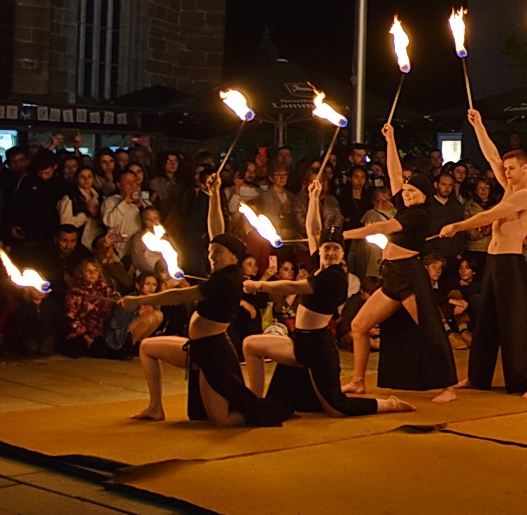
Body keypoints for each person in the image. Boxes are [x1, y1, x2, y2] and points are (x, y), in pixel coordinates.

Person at [119, 175, 291, 427]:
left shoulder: (225, 280)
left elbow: (179, 295)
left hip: (214, 352)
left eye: (217, 253)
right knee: (147, 348)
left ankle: (263, 412)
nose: (212, 257)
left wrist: (138, 301)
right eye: (211, 253)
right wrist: (214, 193)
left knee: (221, 419)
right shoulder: (225, 271)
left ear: (233, 256)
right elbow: (216, 230)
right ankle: (155, 407)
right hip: (198, 347)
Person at [242, 180, 413, 417]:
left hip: (317, 346)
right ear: (320, 251)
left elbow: (294, 286)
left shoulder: (333, 277)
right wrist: (313, 198)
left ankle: (389, 404)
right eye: (327, 249)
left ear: (342, 253)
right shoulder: (320, 267)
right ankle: (255, 402)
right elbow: (313, 231)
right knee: (251, 345)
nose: (330, 253)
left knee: (337, 408)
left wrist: (258, 285)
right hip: (299, 339)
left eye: (336, 249)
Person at [342, 123, 459, 400]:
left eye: (411, 192)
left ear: (424, 195)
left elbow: (380, 228)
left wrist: (345, 233)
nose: (405, 194)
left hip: (410, 276)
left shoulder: (418, 215)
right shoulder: (406, 204)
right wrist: (390, 139)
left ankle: (449, 387)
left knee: (429, 329)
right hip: (391, 275)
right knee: (359, 327)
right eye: (405, 192)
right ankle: (358, 380)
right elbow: (395, 174)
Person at [440, 109, 527, 396]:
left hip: (511, 262)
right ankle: (477, 377)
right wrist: (479, 125)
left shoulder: (524, 195)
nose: (506, 172)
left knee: (516, 323)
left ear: (525, 168)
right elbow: (492, 155)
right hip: (494, 261)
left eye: (512, 169)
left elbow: (490, 215)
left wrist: (457, 226)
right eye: (505, 169)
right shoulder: (509, 186)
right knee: (485, 322)